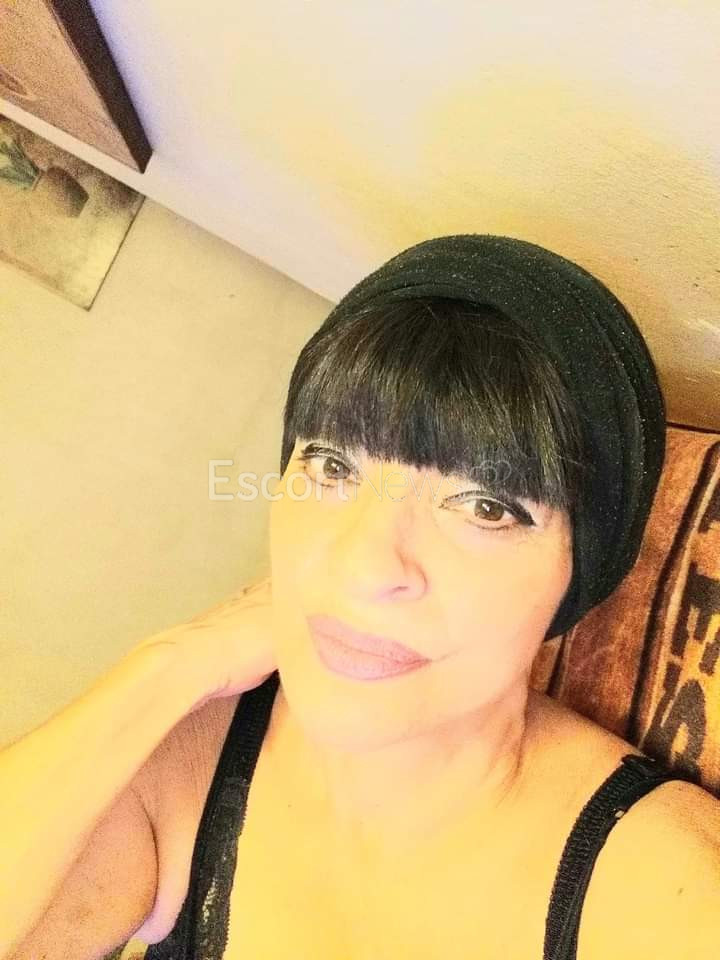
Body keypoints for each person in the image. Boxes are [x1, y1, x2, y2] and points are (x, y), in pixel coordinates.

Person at [2, 235, 719, 960]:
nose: (363, 564)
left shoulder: (664, 888)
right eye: (332, 464)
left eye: (485, 507)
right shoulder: (186, 763)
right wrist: (166, 668)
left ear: (580, 571)